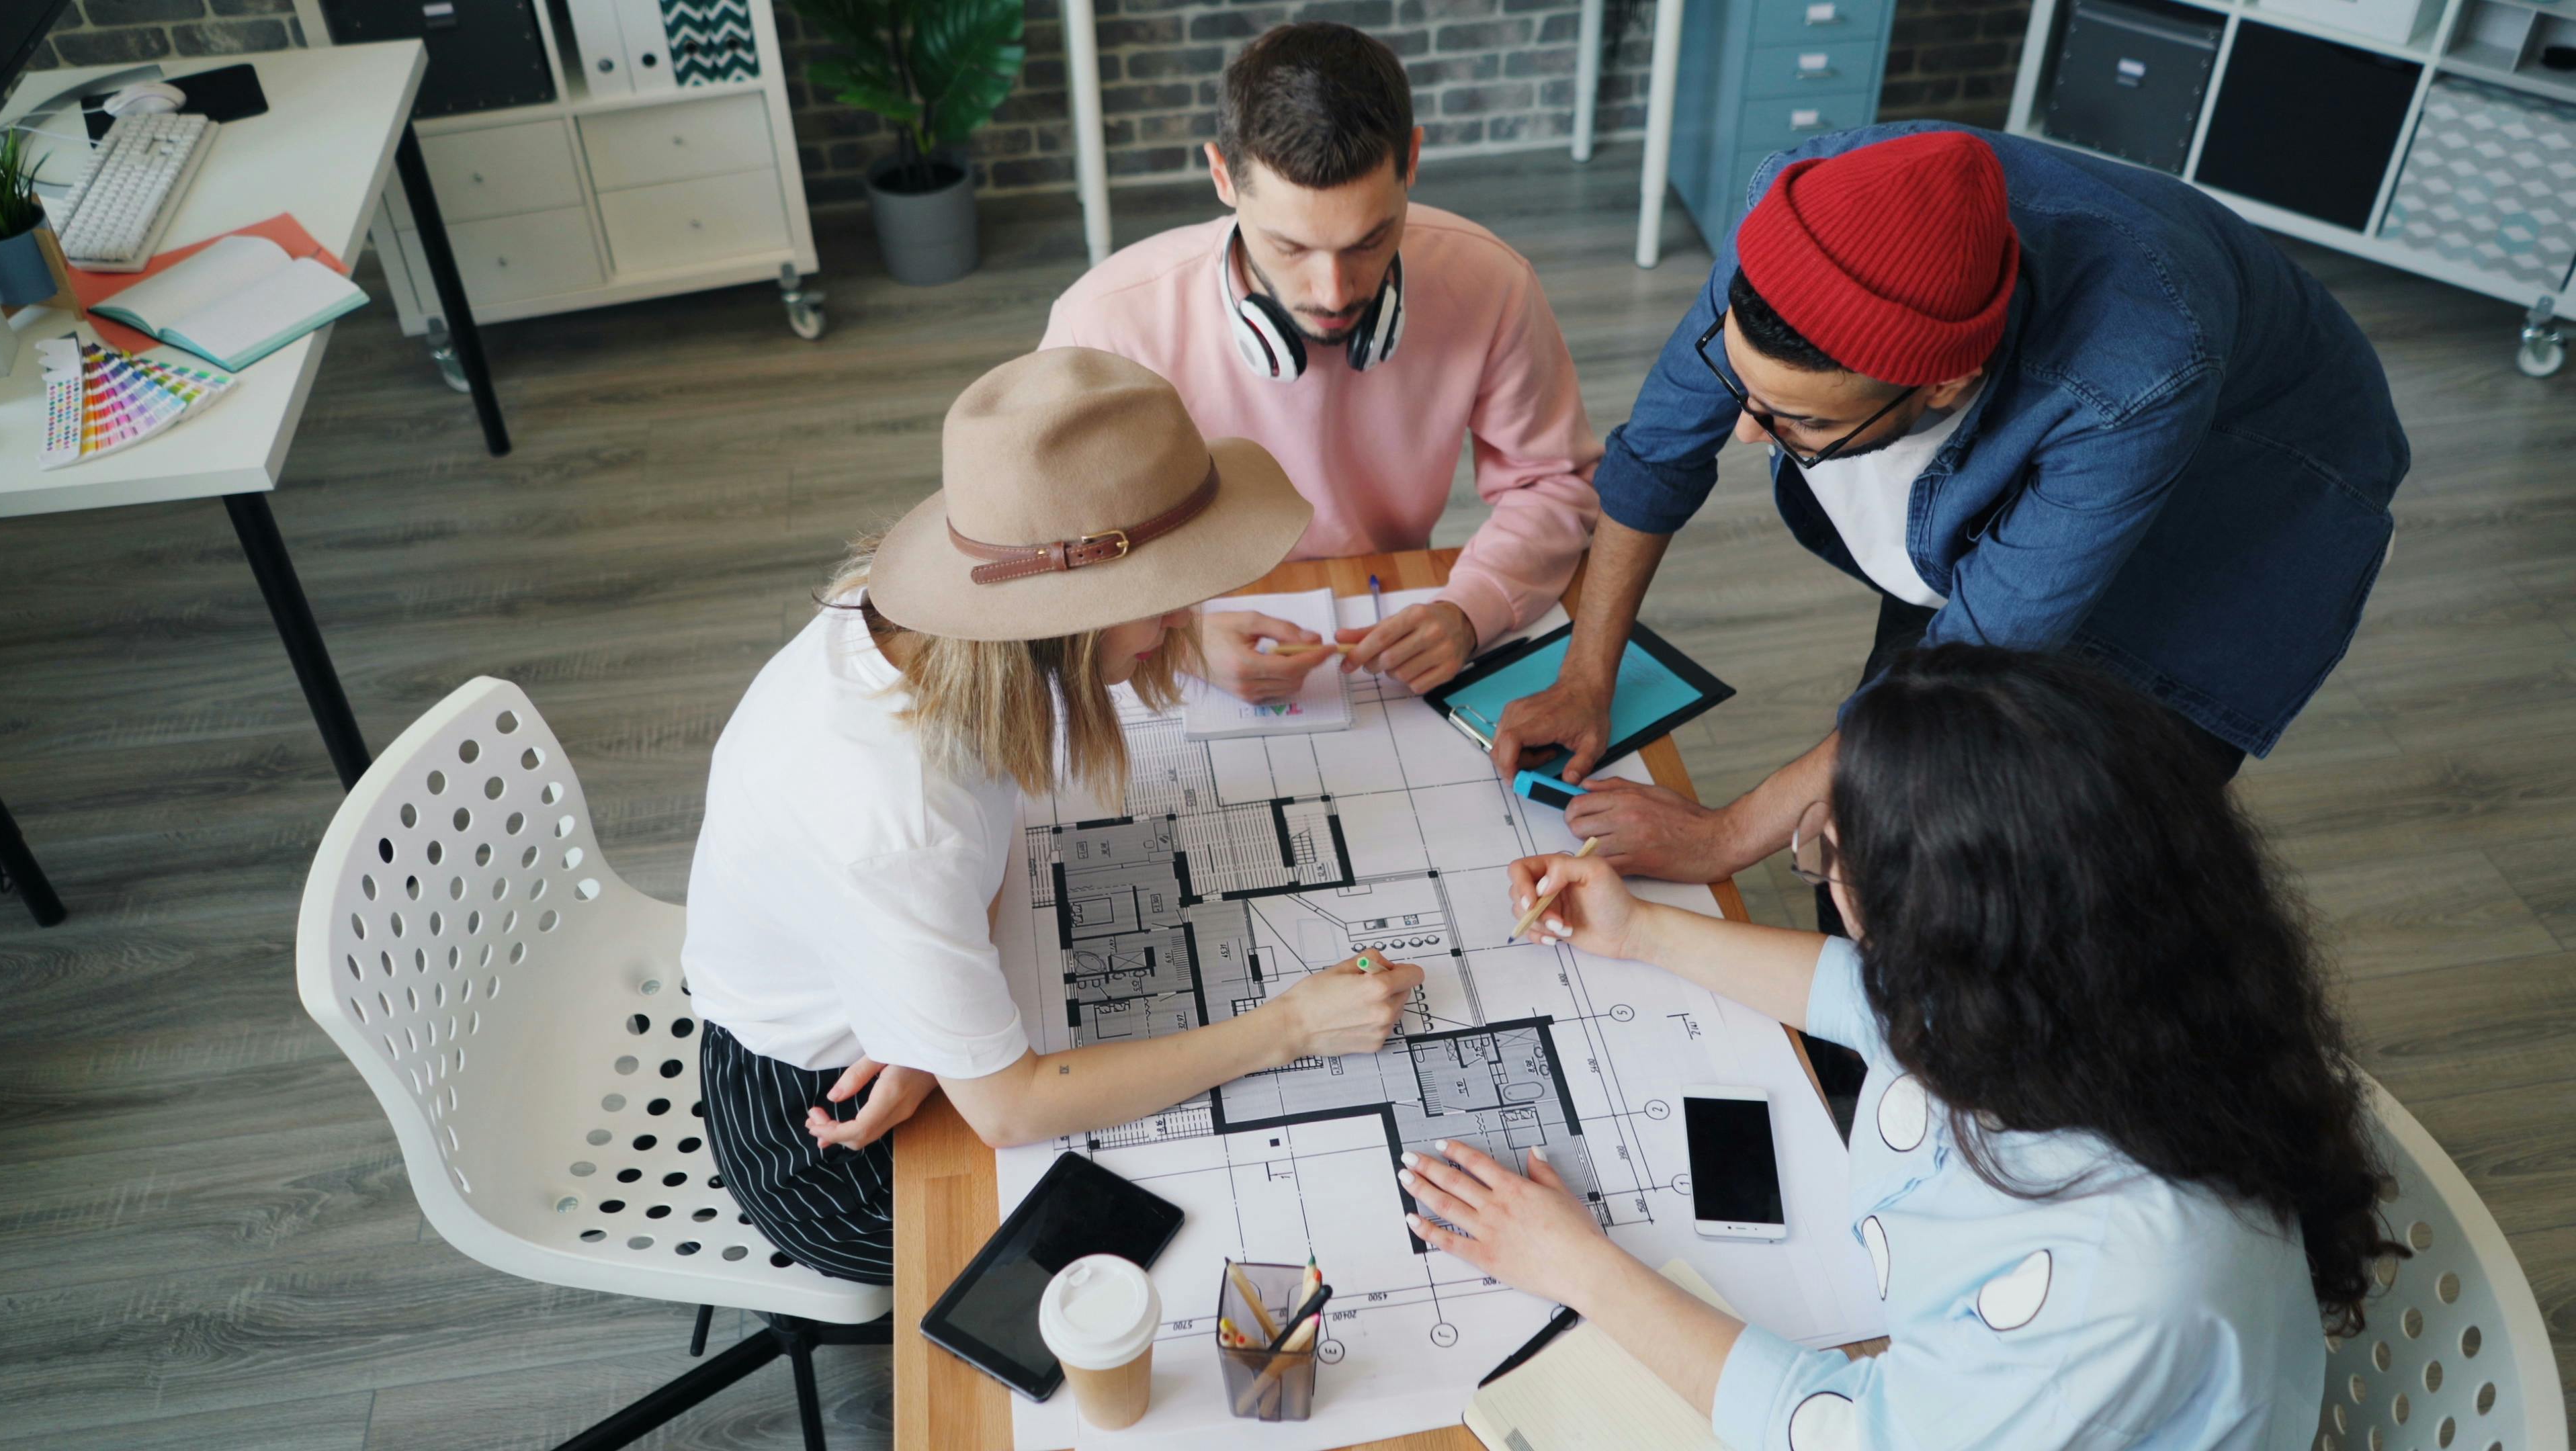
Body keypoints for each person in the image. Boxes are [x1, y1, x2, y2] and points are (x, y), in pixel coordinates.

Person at [1406, 645, 2399, 1450]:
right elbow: (1865, 998)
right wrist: (1642, 933)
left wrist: (1576, 1266)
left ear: (1959, 937)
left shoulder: (2127, 1273)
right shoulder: (2116, 984)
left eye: (1827, 854)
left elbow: (1855, 1437)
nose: (1822, 869)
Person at [1491, 125, 2408, 898]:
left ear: (1945, 385)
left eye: (1799, 421)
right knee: (1877, 819)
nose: (1745, 432)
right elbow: (1657, 453)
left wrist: (1724, 838)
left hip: (2254, 479)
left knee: (2057, 848)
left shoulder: (2134, 373)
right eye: (1750, 389)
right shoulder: (1807, 218)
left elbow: (1960, 663)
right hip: (2107, 391)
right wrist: (1585, 676)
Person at [679, 349, 1427, 1281]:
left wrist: (928, 1025)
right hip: (823, 1130)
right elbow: (1010, 1109)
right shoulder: (896, 813)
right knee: (1188, 1243)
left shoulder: (911, 623)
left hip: (895, 1022)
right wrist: (1293, 1028)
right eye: (1165, 599)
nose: (1184, 615)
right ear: (1068, 621)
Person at [1040, 21, 1600, 702]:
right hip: (1170, 628)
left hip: (1381, 602)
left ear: (1413, 162)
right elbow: (1054, 546)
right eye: (1291, 247)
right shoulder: (1103, 320)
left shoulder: (1492, 282)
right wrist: (1176, 637)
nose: (1334, 295)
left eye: (1370, 241)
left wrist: (1470, 609)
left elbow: (1555, 484)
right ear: (1223, 177)